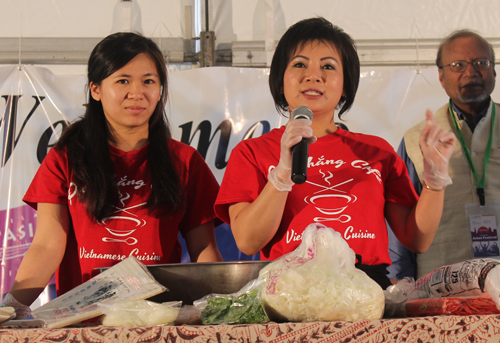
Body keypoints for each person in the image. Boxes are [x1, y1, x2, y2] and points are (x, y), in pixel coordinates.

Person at [214, 17, 456, 290]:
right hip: (289, 289)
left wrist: (434, 181)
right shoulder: (252, 152)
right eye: (299, 64)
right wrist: (282, 175)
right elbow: (247, 241)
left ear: (346, 83)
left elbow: (416, 238)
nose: (314, 75)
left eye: (328, 66)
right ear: (281, 79)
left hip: (366, 288)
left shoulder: (377, 151)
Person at [2, 32, 222, 318]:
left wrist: (217, 308)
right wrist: (10, 307)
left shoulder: (184, 160)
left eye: (148, 81)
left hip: (158, 320)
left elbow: (203, 248)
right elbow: (46, 244)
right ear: (96, 89)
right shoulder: (66, 158)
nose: (137, 93)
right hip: (83, 322)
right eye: (122, 81)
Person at [388, 29, 500, 280]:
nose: (470, 72)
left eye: (481, 63)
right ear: (441, 75)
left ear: (494, 70)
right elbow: (400, 229)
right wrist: (400, 290)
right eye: (458, 65)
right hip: (441, 290)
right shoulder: (418, 139)